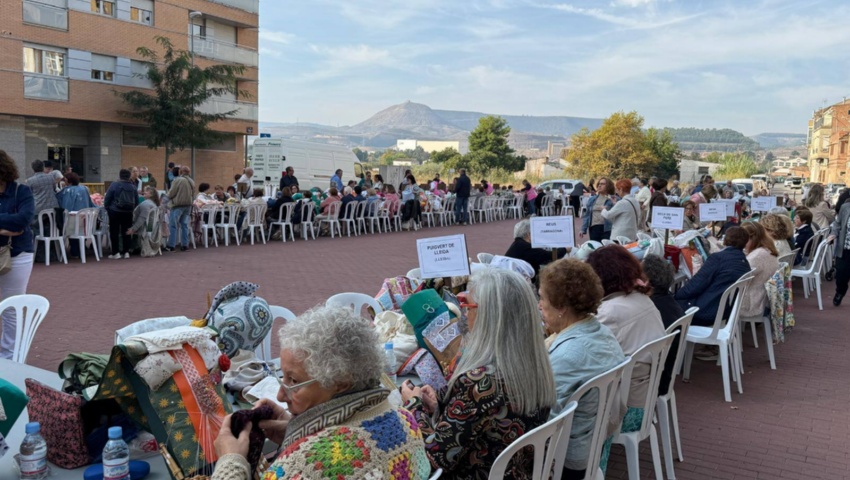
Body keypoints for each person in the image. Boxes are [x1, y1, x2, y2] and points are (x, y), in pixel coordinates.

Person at [212, 305, 430, 480]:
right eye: (283, 377)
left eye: (294, 380)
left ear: (341, 383)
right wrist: (296, 430)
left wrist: (231, 462)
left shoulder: (305, 464)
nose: (280, 395)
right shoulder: (405, 421)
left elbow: (331, 456)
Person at [401, 268, 555, 479]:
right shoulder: (534, 363)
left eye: (468, 306)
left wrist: (414, 407)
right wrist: (441, 406)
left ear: (490, 316)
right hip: (524, 471)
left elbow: (433, 459)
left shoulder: (479, 382)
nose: (463, 313)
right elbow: (482, 419)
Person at [538, 259, 625, 479]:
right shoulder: (601, 332)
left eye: (542, 298)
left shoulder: (568, 355)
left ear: (561, 308)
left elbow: (544, 420)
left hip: (566, 460)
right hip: (593, 444)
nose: (539, 305)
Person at [586, 245, 665, 445]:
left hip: (626, 408)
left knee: (572, 409)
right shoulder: (642, 299)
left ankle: (588, 468)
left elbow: (586, 359)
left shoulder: (610, 312)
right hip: (645, 399)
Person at [674, 226, 751, 326]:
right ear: (745, 243)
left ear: (725, 241)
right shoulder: (744, 263)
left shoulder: (718, 258)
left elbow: (695, 286)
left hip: (704, 312)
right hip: (724, 311)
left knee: (666, 306)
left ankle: (671, 340)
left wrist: (675, 296)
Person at [0, 150, 36, 359]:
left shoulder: (21, 191)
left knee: (11, 308)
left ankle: (9, 357)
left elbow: (23, 219)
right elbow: (15, 220)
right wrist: (4, 226)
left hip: (17, 253)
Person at [641, 254, 684, 395]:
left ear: (646, 280)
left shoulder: (650, 308)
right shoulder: (669, 302)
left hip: (653, 381)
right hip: (665, 374)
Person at [740, 222, 779, 318]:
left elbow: (740, 279)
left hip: (752, 303)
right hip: (761, 299)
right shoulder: (765, 250)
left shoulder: (757, 256)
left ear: (752, 238)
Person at [103, 169, 139, 259]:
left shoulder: (114, 185)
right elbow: (136, 201)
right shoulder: (133, 186)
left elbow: (107, 198)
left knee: (114, 231)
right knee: (126, 231)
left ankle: (116, 252)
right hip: (128, 212)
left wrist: (108, 208)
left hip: (115, 211)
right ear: (129, 176)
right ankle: (126, 252)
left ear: (120, 176)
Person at [26, 160, 62, 236]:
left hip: (38, 208)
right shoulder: (51, 177)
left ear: (33, 169)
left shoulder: (30, 181)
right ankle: (50, 244)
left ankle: (39, 243)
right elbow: (54, 189)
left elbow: (28, 195)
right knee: (51, 226)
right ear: (43, 167)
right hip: (52, 207)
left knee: (36, 227)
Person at [166, 166, 195, 252]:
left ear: (180, 172)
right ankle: (185, 245)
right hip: (188, 205)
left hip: (178, 205)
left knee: (173, 225)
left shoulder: (177, 180)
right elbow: (193, 193)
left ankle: (171, 245)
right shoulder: (191, 181)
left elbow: (171, 193)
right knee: (184, 225)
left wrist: (165, 199)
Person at [126, 186, 161, 257]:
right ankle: (135, 246)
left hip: (144, 227)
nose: (144, 192)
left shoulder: (145, 204)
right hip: (151, 227)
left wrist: (133, 229)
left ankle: (124, 249)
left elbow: (142, 218)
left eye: (146, 191)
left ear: (151, 194)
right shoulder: (154, 204)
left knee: (121, 228)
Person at [830, 200, 850, 306]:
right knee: (841, 274)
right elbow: (837, 224)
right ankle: (840, 292)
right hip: (846, 248)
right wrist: (833, 234)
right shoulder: (845, 207)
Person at [581, 177, 614, 242]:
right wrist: (583, 229)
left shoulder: (613, 199)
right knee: (596, 250)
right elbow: (587, 215)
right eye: (599, 184)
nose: (599, 185)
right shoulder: (592, 199)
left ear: (608, 186)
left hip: (607, 228)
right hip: (594, 228)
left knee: (606, 250)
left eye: (602, 184)